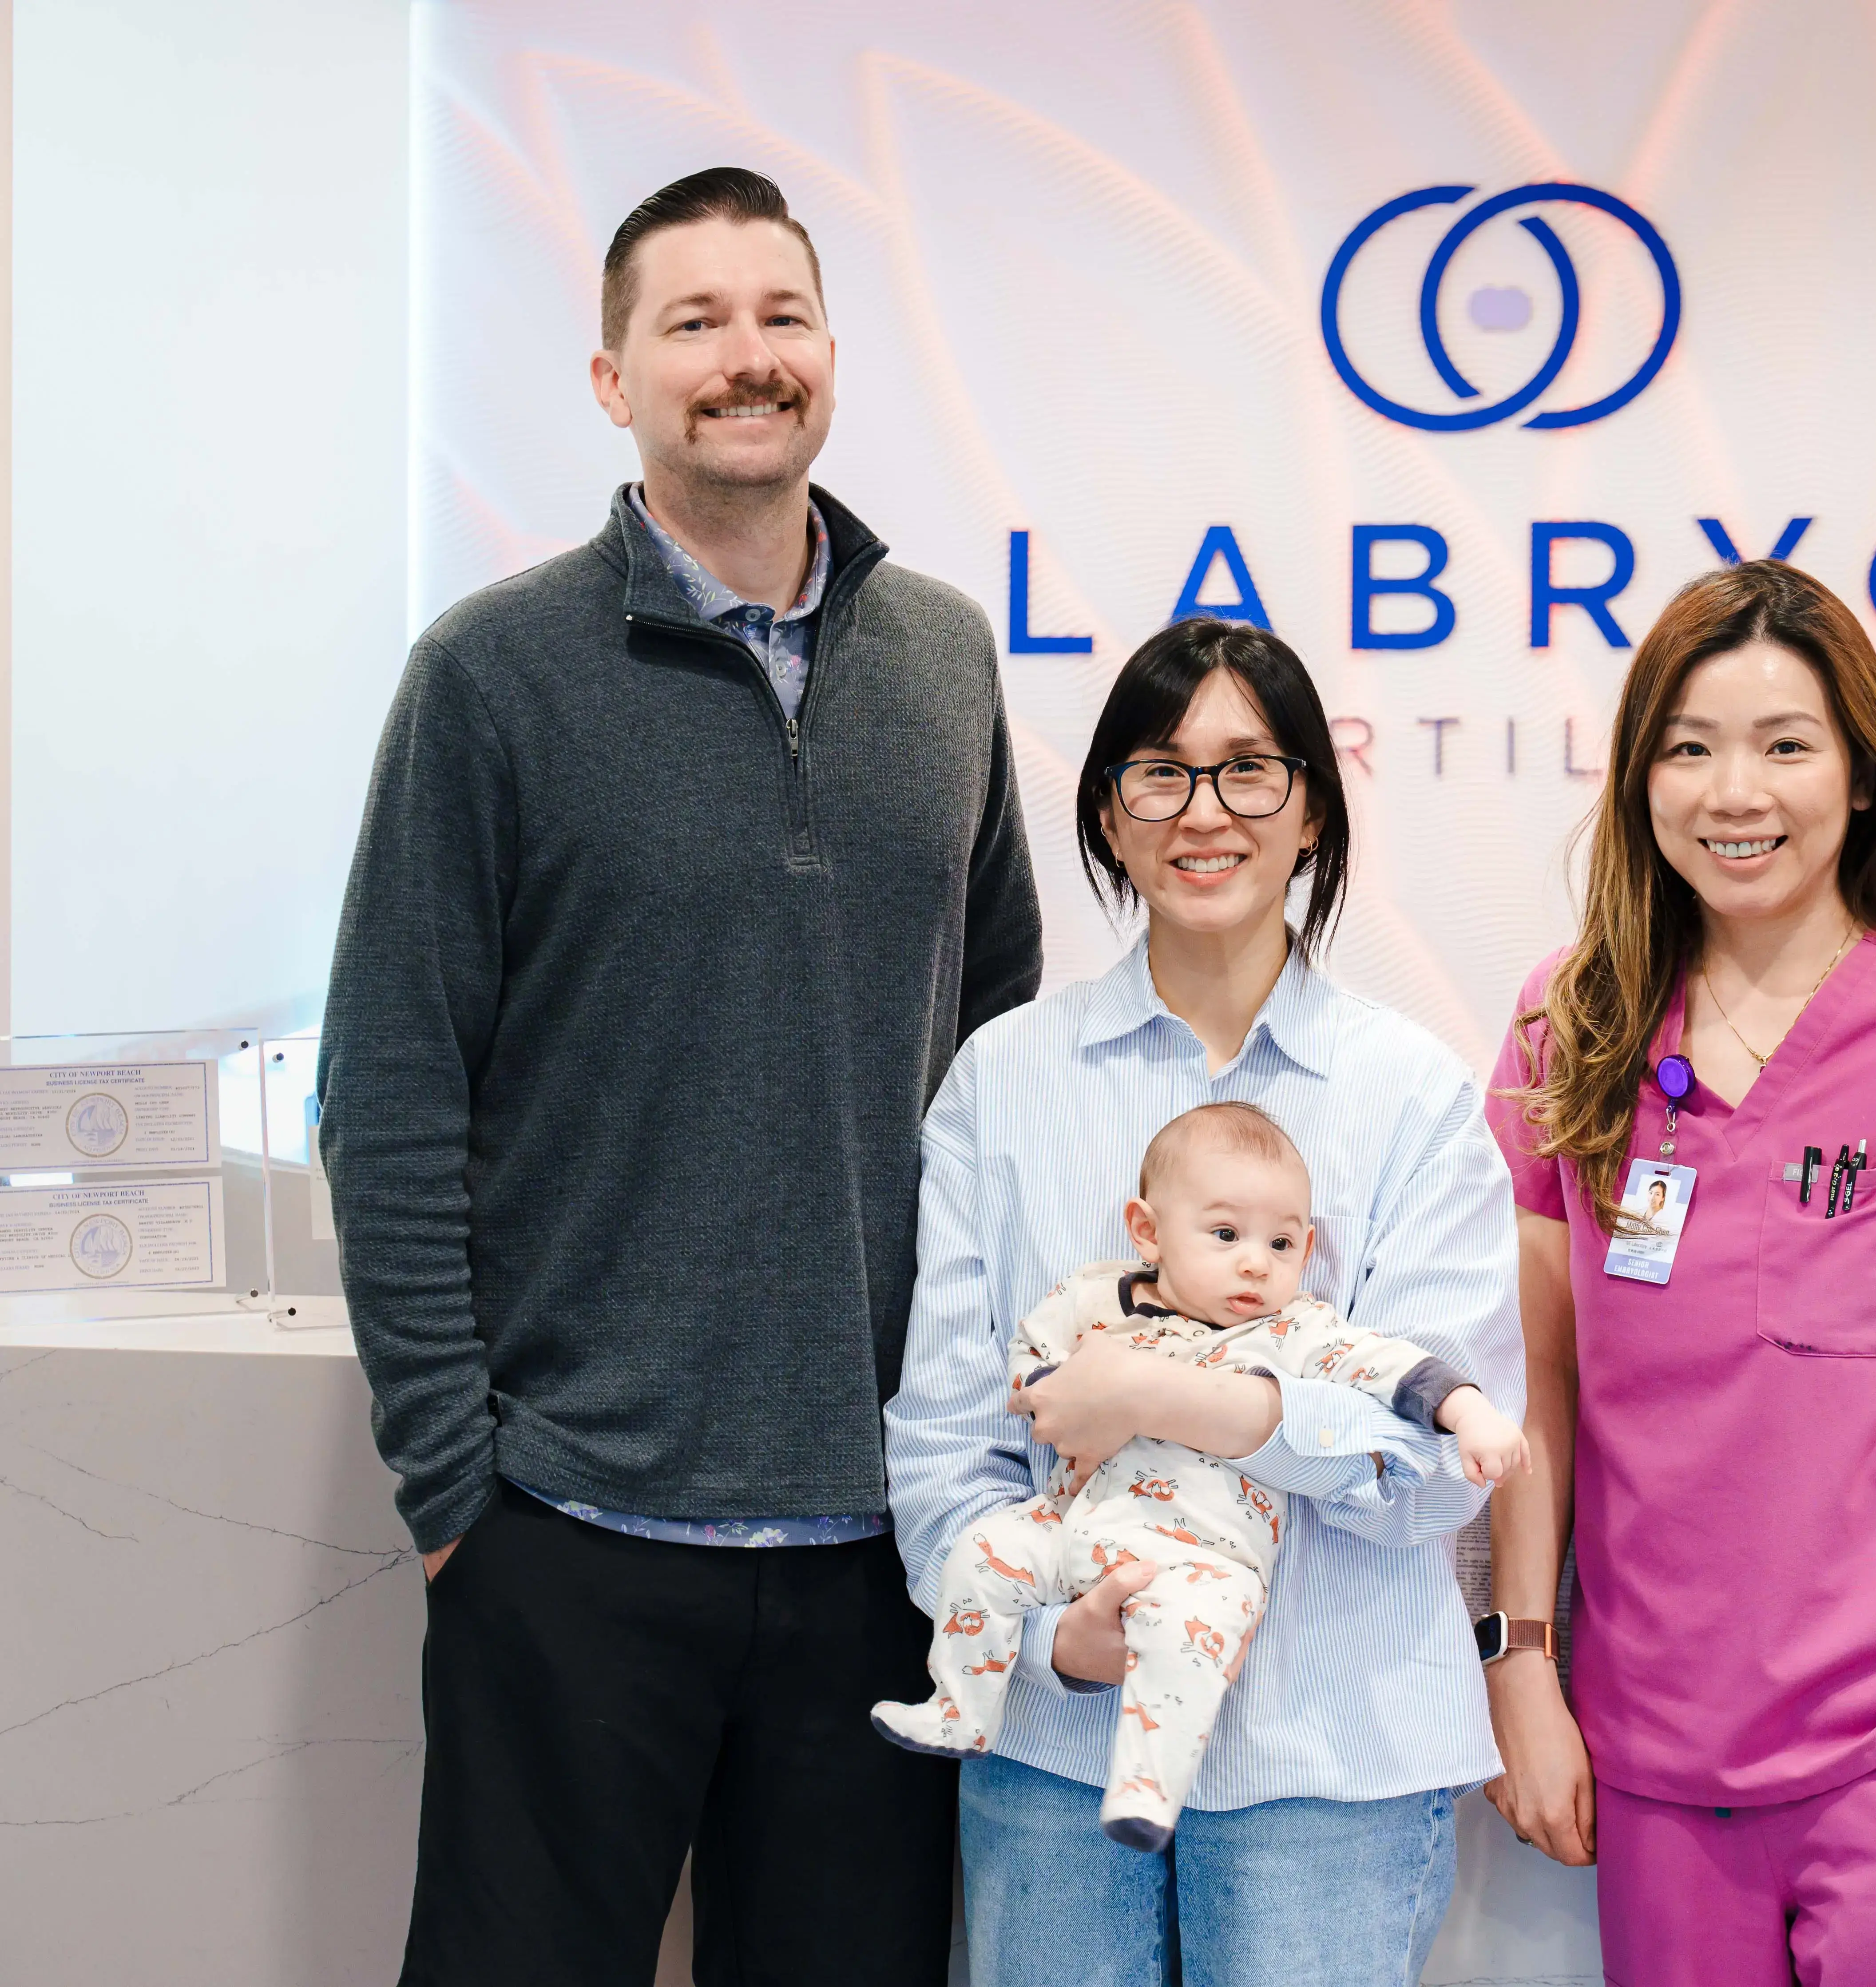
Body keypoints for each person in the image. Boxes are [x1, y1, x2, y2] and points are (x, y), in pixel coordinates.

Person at [319, 166, 1039, 1987]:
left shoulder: (944, 658)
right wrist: (457, 1497)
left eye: (782, 315)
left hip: (878, 1537)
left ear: (828, 354)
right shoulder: (489, 676)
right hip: (568, 1529)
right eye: (694, 321)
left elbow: (999, 1046)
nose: (746, 358)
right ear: (610, 376)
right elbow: (390, 1091)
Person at [1481, 560, 1876, 1987]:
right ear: (1642, 777)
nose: (1736, 792)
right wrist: (1522, 1659)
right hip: (1655, 1765)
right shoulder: (1569, 1016)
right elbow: (1537, 1374)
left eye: (1787, 745)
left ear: (1863, 774)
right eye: (1691, 747)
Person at [884, 616, 1523, 1987]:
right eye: (1159, 774)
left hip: (1330, 1763)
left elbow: (1436, 1471)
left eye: (1250, 772)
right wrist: (1053, 1642)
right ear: (1109, 818)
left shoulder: (1409, 1094)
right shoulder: (1005, 1080)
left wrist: (1173, 1399)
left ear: (1312, 813)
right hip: (1056, 1756)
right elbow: (945, 1442)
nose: (1204, 812)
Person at [871, 1099, 1526, 1851]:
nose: (1256, 1262)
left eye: (1282, 1242)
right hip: (1069, 1523)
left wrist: (1471, 1414)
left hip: (1204, 1560)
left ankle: (1147, 1790)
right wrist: (1045, 1387)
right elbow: (1033, 1360)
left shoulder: (1293, 1329)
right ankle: (960, 1705)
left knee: (1191, 1643)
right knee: (981, 1555)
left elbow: (1394, 1368)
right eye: (1225, 1235)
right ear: (1148, 1231)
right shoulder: (1094, 1296)